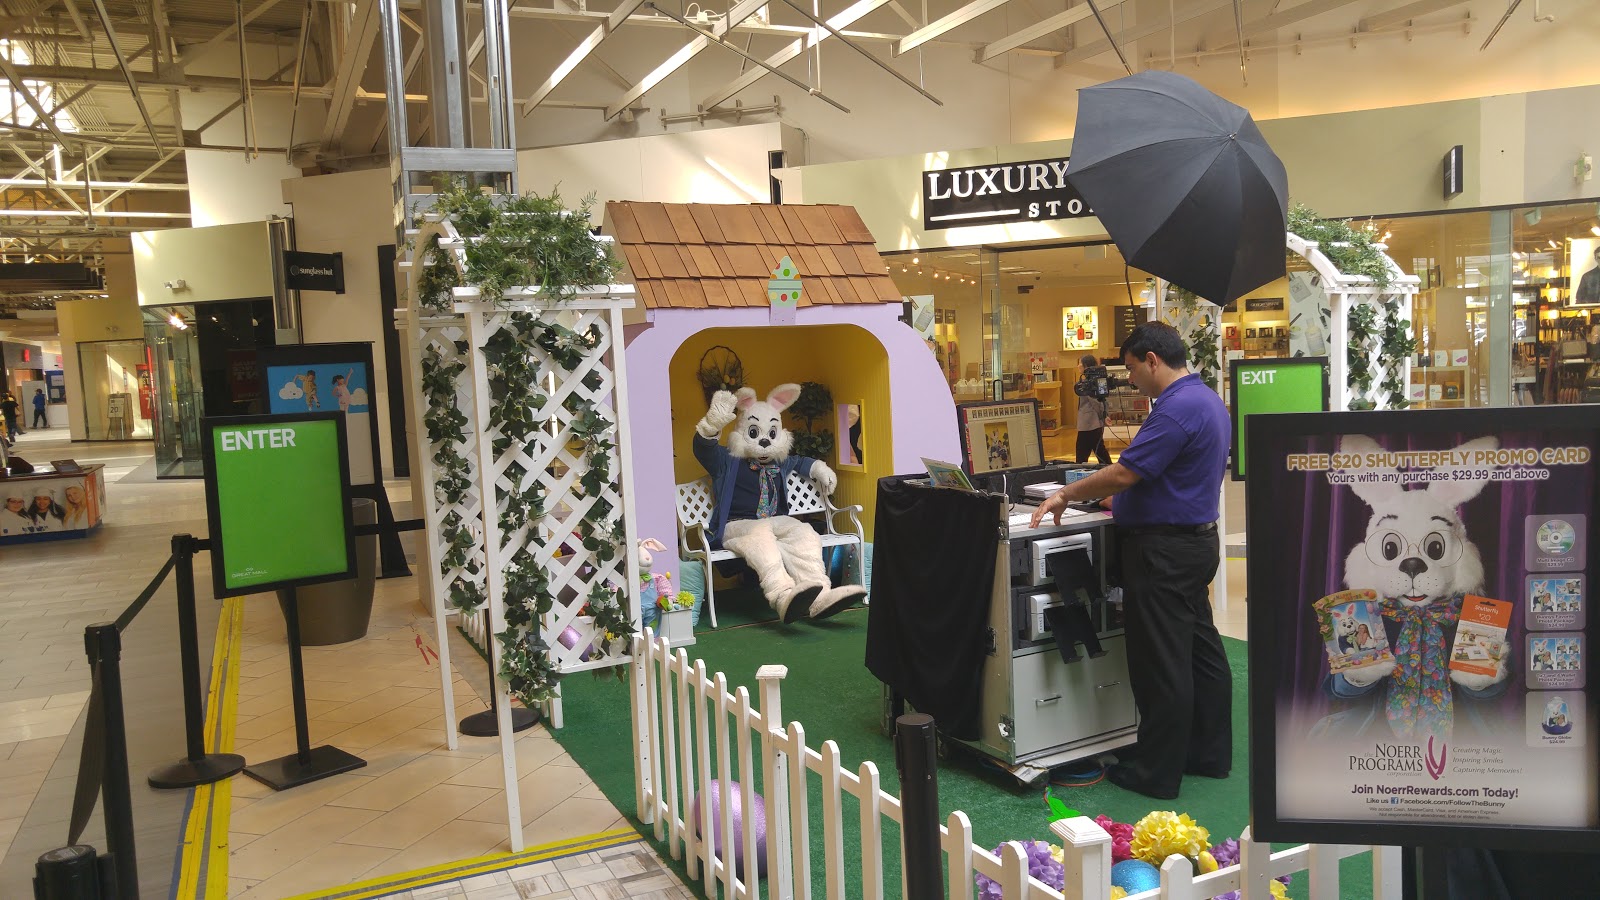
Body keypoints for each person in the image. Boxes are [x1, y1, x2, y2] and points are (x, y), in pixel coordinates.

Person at [1031, 321, 1232, 799]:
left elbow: (1124, 473)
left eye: (1132, 369)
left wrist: (1068, 493)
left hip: (1163, 552)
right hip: (1195, 544)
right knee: (1201, 652)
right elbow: (1167, 474)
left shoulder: (1176, 409)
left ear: (1152, 360)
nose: (1131, 380)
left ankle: (1156, 772)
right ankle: (1207, 753)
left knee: (1162, 661)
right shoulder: (1207, 400)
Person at [1074, 354, 1112, 465]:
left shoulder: (1088, 383)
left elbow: (1096, 402)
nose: (1078, 366)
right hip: (1094, 423)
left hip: (1089, 423)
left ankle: (1080, 472)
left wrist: (1103, 416)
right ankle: (1108, 468)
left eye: (1080, 363)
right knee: (1099, 450)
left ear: (1086, 366)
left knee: (1083, 453)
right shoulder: (1095, 380)